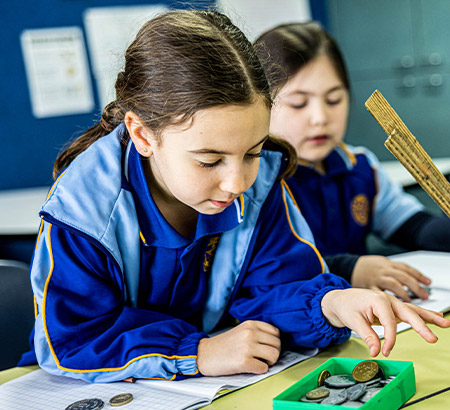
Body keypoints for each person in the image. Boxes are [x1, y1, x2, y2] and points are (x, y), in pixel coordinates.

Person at [22, 9, 449, 383]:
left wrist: (330, 302)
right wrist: (196, 352)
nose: (237, 182)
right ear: (143, 135)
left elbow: (276, 286)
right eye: (209, 161)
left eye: (253, 152)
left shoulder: (262, 181)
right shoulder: (82, 210)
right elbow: (73, 339)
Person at [254, 21, 450, 302]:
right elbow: (270, 271)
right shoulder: (256, 180)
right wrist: (350, 268)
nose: (320, 118)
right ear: (259, 104)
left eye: (334, 100)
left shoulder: (359, 165)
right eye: (299, 103)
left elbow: (414, 227)